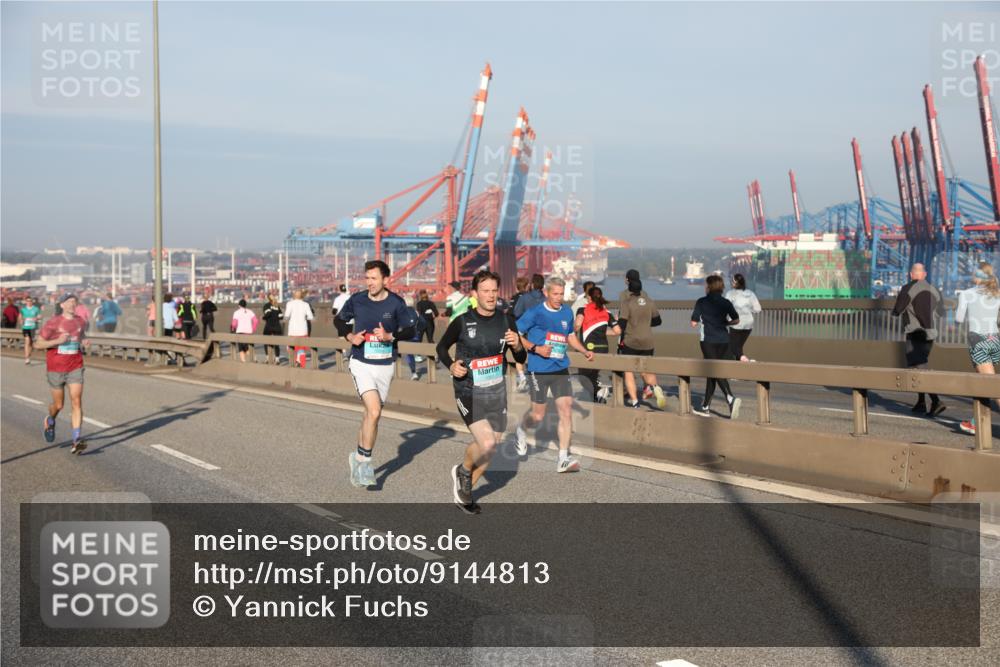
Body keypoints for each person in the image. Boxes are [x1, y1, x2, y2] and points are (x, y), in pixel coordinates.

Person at [438, 270, 526, 513]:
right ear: (475, 294)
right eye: (485, 291)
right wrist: (451, 365)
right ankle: (463, 471)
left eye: (494, 291)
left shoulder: (507, 320)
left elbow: (520, 356)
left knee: (492, 447)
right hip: (468, 389)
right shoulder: (463, 321)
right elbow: (442, 347)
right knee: (486, 443)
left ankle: (464, 495)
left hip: (496, 389)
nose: (490, 295)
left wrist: (518, 345)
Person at [335, 260, 417, 488]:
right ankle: (367, 463)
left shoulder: (396, 303)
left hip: (385, 364)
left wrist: (391, 336)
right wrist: (350, 337)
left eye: (373, 278)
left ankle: (358, 458)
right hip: (361, 362)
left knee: (371, 416)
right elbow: (339, 320)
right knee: (374, 410)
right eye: (367, 278)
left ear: (385, 280)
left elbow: (411, 328)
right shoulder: (357, 300)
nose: (369, 282)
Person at [515, 276, 595, 472]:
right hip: (538, 369)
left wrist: (583, 350)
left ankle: (562, 459)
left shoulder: (567, 312)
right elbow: (516, 333)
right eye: (555, 294)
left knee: (565, 412)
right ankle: (521, 430)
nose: (559, 298)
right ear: (546, 293)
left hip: (560, 368)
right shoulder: (535, 313)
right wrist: (536, 348)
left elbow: (569, 336)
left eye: (562, 294)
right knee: (538, 415)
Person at [36, 293, 90, 454]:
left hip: (75, 366)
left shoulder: (81, 321)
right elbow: (38, 344)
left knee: (76, 401)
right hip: (56, 368)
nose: (72, 304)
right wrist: (56, 342)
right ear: (62, 305)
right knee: (59, 405)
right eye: (69, 302)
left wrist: (84, 341)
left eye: (74, 302)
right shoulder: (53, 323)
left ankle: (76, 440)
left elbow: (81, 337)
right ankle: (50, 420)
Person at [892, 263, 946, 417]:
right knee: (918, 366)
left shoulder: (907, 288)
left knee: (920, 367)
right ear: (925, 274)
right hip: (931, 334)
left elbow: (898, 310)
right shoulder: (935, 289)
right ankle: (921, 402)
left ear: (911, 274)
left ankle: (936, 401)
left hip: (915, 332)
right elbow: (941, 312)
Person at [954, 262, 1000, 436]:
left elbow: (959, 318)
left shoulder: (967, 294)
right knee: (986, 383)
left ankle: (975, 423)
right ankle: (975, 423)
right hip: (994, 339)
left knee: (992, 385)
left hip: (978, 340)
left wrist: (956, 324)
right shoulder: (997, 293)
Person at [690, 275, 742, 419]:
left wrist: (700, 321)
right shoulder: (726, 302)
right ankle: (705, 407)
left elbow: (693, 323)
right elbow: (736, 320)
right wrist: (726, 324)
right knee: (713, 373)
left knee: (713, 370)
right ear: (721, 287)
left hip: (708, 340)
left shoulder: (701, 302)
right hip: (724, 340)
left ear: (708, 286)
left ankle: (730, 398)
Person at [617, 269, 666, 409]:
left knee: (629, 371)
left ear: (629, 284)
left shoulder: (626, 300)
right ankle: (654, 387)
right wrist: (644, 323)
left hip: (631, 340)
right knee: (646, 369)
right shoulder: (649, 300)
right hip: (648, 341)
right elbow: (658, 321)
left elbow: (623, 322)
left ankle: (635, 401)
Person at [574, 286, 620, 403]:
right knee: (592, 374)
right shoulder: (606, 312)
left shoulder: (582, 309)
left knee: (583, 376)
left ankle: (599, 389)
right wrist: (603, 331)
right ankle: (597, 396)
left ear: (589, 297)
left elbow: (577, 325)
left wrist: (573, 330)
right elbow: (617, 331)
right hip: (603, 348)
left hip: (588, 348)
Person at [512, 274, 545, 392]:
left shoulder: (525, 298)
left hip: (526, 333)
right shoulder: (546, 299)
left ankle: (525, 379)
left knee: (522, 355)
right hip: (542, 334)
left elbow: (516, 313)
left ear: (531, 284)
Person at [724, 273, 762, 362]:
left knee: (732, 347)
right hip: (748, 324)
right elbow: (758, 309)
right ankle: (738, 371)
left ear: (734, 283)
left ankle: (746, 361)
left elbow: (725, 308)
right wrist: (747, 310)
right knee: (738, 347)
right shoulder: (750, 293)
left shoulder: (730, 294)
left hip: (736, 324)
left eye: (732, 281)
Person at [283, 289, 314, 366]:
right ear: (302, 295)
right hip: (303, 330)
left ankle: (295, 363)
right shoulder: (306, 304)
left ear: (293, 295)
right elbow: (310, 317)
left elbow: (286, 316)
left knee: (291, 348)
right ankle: (302, 365)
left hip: (292, 330)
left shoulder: (289, 304)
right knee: (301, 349)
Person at [402, 295, 426, 381]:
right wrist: (418, 331)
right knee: (416, 352)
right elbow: (424, 323)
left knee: (409, 355)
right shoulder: (416, 312)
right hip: (416, 336)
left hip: (406, 337)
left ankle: (414, 373)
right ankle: (419, 357)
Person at [231, 298, 258, 362]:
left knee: (241, 349)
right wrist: (253, 329)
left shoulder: (236, 312)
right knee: (248, 347)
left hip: (240, 332)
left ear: (239, 305)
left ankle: (244, 362)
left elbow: (234, 324)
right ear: (245, 305)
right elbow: (256, 321)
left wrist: (233, 328)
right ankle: (254, 358)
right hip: (249, 332)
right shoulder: (250, 311)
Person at [19, 295, 41, 365]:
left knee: (31, 343)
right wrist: (21, 321)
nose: (29, 302)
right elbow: (20, 318)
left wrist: (37, 318)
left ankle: (28, 356)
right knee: (27, 341)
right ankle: (26, 358)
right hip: (25, 327)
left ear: (32, 302)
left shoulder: (36, 309)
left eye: (30, 301)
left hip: (33, 327)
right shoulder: (23, 309)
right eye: (27, 301)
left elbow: (40, 316)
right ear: (25, 302)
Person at [261, 295, 284, 364]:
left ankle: (268, 359)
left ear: (268, 298)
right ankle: (277, 359)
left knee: (266, 342)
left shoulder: (266, 305)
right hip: (277, 327)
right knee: (276, 344)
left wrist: (263, 318)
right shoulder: (277, 306)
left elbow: (268, 314)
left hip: (269, 326)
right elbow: (281, 317)